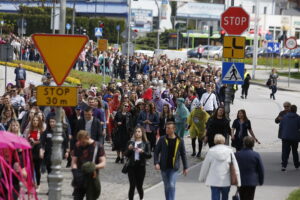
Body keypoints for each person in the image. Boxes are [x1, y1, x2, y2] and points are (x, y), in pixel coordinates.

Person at [199, 134, 241, 200]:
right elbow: (235, 166)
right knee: (225, 197)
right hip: (226, 180)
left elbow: (205, 166)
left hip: (214, 181)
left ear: (215, 141)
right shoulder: (229, 151)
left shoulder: (211, 151)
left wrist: (201, 177)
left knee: (215, 198)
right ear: (224, 141)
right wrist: (238, 180)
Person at [154, 121, 188, 200]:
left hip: (174, 168)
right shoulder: (162, 139)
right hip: (164, 167)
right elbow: (156, 152)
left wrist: (185, 167)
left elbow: (183, 154)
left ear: (174, 129)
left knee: (171, 185)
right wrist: (156, 163)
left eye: (169, 128)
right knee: (166, 186)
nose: (167, 129)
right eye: (166, 128)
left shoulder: (180, 140)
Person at [71, 130, 106, 200]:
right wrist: (75, 172)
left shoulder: (98, 146)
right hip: (79, 176)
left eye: (83, 142)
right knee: (77, 198)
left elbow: (103, 163)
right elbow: (74, 161)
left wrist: (93, 166)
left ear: (88, 137)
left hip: (92, 177)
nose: (81, 143)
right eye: (80, 141)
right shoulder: (78, 145)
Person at [124, 126, 152, 200]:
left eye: (139, 131)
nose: (137, 133)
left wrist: (142, 152)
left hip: (141, 166)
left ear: (142, 133)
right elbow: (126, 154)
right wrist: (129, 149)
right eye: (136, 131)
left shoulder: (146, 143)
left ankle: (141, 198)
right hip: (131, 166)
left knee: (139, 186)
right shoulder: (130, 142)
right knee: (132, 185)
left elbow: (149, 155)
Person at [279, 105, 300, 171]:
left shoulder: (284, 117)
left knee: (285, 151)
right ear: (296, 110)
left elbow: (281, 125)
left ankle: (284, 165)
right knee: (295, 151)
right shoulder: (298, 118)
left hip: (285, 136)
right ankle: (296, 165)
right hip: (295, 137)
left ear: (290, 110)